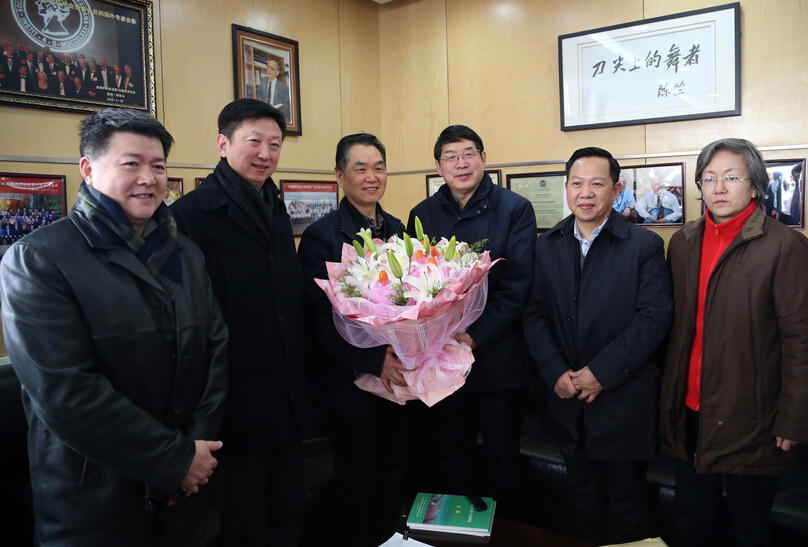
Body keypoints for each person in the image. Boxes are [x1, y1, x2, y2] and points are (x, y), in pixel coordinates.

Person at [0, 108, 229, 546]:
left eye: (158, 166)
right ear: (88, 169)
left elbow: (215, 347)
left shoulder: (186, 252)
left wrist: (197, 448)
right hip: (95, 498)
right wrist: (175, 459)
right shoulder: (38, 259)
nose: (148, 178)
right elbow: (66, 392)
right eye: (131, 164)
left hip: (187, 488)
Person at [660, 138, 808, 547]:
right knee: (693, 521)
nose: (718, 188)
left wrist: (794, 418)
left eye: (731, 177)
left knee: (748, 529)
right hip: (691, 410)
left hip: (753, 418)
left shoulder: (784, 245)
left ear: (755, 186)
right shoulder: (683, 242)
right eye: (709, 178)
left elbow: (802, 339)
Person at [170, 98, 312, 547]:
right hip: (235, 397)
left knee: (290, 509)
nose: (265, 154)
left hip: (287, 388)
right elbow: (188, 318)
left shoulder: (274, 203)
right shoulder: (189, 214)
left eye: (275, 144)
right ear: (222, 144)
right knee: (247, 520)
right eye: (254, 141)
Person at [523, 147, 673, 544]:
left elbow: (653, 319)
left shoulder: (644, 245)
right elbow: (534, 314)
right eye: (576, 183)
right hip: (566, 400)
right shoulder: (546, 244)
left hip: (623, 403)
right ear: (566, 188)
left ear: (617, 189)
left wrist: (600, 374)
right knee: (581, 502)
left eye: (596, 183)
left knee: (627, 505)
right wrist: (554, 369)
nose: (585, 193)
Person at [408, 125, 537, 517]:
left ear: (483, 158)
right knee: (452, 454)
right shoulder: (422, 214)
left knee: (502, 459)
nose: (460, 163)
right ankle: (455, 532)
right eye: (450, 156)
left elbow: (516, 286)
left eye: (468, 154)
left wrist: (472, 337)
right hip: (443, 362)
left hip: (499, 360)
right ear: (438, 166)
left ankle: (508, 534)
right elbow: (413, 286)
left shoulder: (515, 209)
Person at [298, 133, 411, 547]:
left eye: (378, 167)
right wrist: (371, 360)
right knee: (355, 479)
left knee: (394, 471)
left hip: (397, 379)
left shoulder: (398, 230)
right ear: (340, 175)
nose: (371, 177)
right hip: (349, 383)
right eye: (360, 168)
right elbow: (317, 320)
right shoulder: (321, 237)